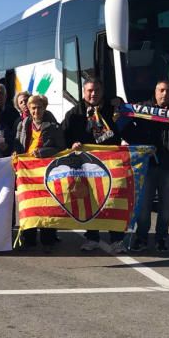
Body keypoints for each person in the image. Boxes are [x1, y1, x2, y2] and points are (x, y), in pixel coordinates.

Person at [122, 80, 169, 253]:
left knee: (166, 206)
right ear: (155, 91)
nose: (165, 94)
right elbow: (125, 127)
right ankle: (141, 237)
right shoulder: (142, 109)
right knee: (144, 206)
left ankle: (161, 238)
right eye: (161, 90)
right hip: (147, 166)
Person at [61, 77, 126, 252]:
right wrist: (72, 144)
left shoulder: (113, 109)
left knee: (113, 200)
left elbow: (127, 126)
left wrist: (121, 104)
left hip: (111, 162)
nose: (93, 94)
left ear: (102, 92)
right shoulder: (74, 114)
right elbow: (63, 136)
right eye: (90, 90)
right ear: (83, 92)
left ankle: (117, 239)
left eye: (97, 90)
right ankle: (92, 237)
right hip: (85, 165)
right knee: (90, 200)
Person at [15, 94, 66, 252]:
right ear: (29, 109)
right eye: (33, 108)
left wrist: (44, 152)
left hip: (46, 172)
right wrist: (15, 154)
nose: (36, 110)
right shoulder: (22, 125)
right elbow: (17, 144)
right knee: (29, 204)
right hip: (27, 173)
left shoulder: (53, 126)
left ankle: (48, 240)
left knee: (46, 206)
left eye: (39, 107)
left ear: (45, 108)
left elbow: (62, 148)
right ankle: (29, 239)